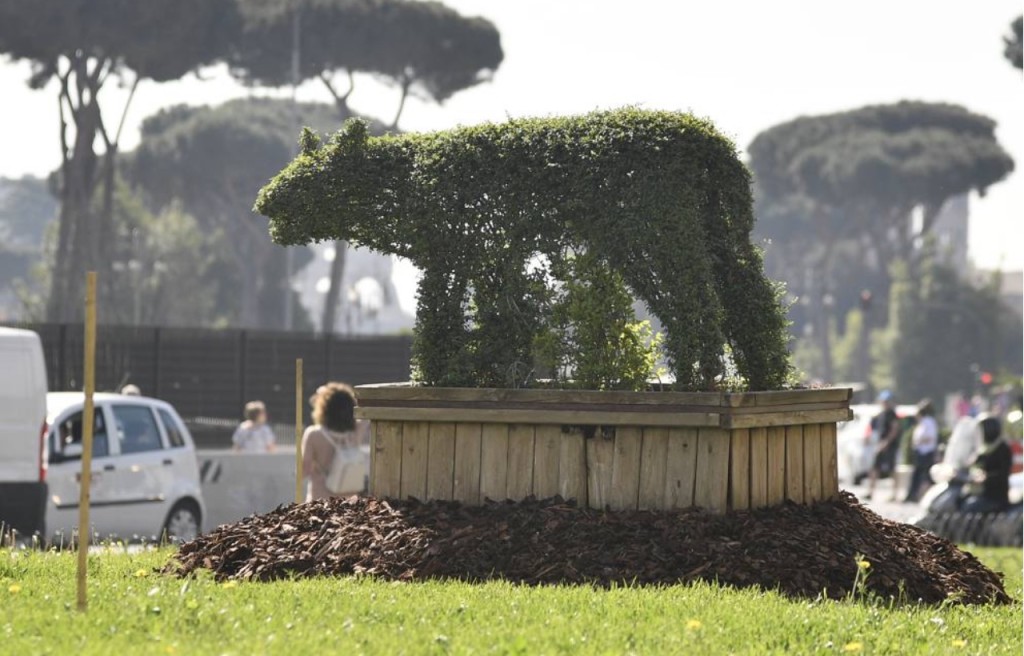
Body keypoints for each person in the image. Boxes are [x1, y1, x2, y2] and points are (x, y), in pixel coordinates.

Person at [302, 382, 370, 501]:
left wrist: (322, 395)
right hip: (348, 501)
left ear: (322, 407)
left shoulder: (313, 434)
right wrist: (345, 397)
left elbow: (304, 471)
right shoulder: (356, 431)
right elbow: (365, 412)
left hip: (319, 500)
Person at [961, 415, 1012, 514]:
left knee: (969, 507)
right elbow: (974, 463)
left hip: (994, 496)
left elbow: (1003, 473)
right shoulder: (984, 448)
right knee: (960, 500)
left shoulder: (1002, 448)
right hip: (979, 491)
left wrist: (985, 478)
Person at [865, 389, 901, 501]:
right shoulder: (881, 415)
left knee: (892, 469)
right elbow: (872, 428)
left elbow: (894, 430)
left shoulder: (892, 414)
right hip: (880, 444)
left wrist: (886, 442)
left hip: (890, 445)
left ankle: (894, 494)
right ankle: (870, 492)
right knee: (875, 468)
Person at [904, 398, 938, 503]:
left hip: (926, 453)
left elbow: (929, 437)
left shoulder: (928, 422)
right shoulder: (923, 422)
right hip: (920, 452)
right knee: (918, 475)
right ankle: (913, 495)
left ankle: (921, 496)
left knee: (926, 477)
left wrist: (919, 441)